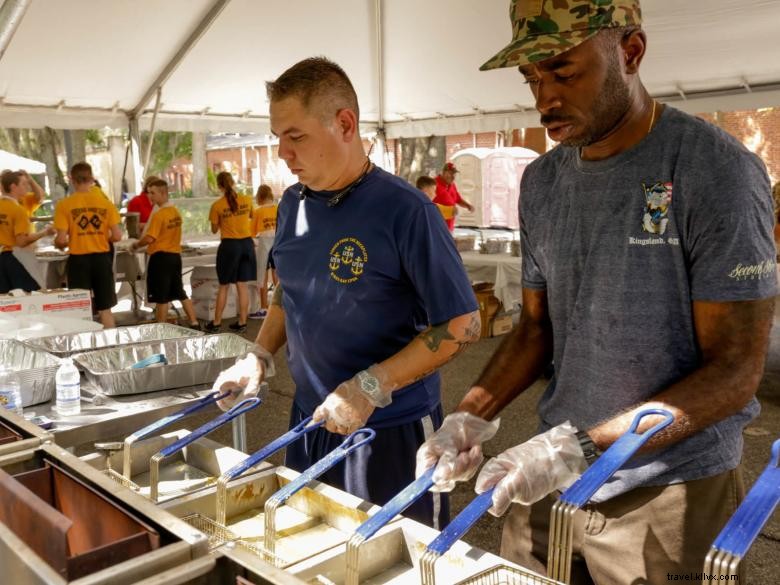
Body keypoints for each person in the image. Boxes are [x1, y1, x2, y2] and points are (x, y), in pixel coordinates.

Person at [415, 1, 777, 583]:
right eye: (532, 77)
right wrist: (468, 415)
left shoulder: (715, 171)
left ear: (630, 51)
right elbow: (536, 329)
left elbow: (735, 372)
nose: (543, 98)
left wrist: (577, 447)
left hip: (667, 494)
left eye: (563, 71)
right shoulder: (543, 182)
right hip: (545, 484)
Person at [210, 57, 480, 528]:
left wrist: (371, 386)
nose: (283, 153)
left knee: (397, 562)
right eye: (278, 138)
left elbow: (462, 324)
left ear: (345, 124)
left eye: (295, 137)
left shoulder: (406, 210)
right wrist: (259, 355)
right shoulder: (293, 203)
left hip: (390, 431)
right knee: (311, 549)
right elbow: (287, 289)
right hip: (310, 420)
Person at [54, 162, 122, 328]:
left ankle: (86, 347)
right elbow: (118, 236)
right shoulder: (106, 204)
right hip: (101, 259)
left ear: (72, 180)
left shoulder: (64, 205)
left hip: (79, 261)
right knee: (105, 308)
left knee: (80, 308)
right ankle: (112, 346)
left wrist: (61, 243)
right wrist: (101, 238)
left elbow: (61, 240)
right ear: (91, 179)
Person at [131, 179, 200, 330]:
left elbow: (150, 238)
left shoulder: (159, 214)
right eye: (149, 192)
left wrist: (135, 245)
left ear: (163, 193)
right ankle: (194, 322)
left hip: (160, 258)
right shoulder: (175, 212)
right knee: (180, 292)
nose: (150, 196)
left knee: (161, 296)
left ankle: (160, 330)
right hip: (175, 257)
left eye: (153, 193)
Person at [205, 171, 255, 334]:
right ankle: (242, 322)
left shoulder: (217, 205)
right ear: (233, 183)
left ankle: (217, 322)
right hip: (247, 244)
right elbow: (251, 216)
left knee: (224, 286)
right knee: (242, 286)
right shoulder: (247, 200)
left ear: (219, 186)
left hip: (229, 247)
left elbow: (213, 230)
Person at [0, 170, 56, 293]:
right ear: (13, 187)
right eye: (24, 184)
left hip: (3, 258)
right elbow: (21, 241)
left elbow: (40, 196)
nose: (27, 187)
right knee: (29, 297)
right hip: (16, 258)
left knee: (4, 301)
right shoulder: (18, 210)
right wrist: (44, 232)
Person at [248, 184, 278, 320]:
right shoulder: (278, 209)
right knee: (277, 274)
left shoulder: (258, 212)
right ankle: (279, 307)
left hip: (264, 244)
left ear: (259, 197)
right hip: (278, 242)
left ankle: (264, 308)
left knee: (262, 276)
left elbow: (252, 232)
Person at [434, 162, 473, 231]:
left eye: (454, 174)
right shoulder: (434, 184)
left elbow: (458, 199)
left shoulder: (452, 185)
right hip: (437, 228)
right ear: (443, 172)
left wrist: (468, 205)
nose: (453, 176)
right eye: (450, 173)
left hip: (449, 228)